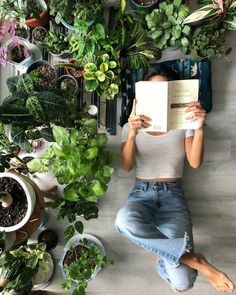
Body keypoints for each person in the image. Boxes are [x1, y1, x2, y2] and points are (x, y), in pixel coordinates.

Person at [115, 66, 235, 293]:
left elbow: (195, 162)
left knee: (182, 284)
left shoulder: (184, 124)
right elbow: (127, 165)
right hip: (141, 194)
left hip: (173, 197)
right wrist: (131, 132)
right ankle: (194, 260)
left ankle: (173, 254)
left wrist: (198, 129)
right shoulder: (130, 126)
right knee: (123, 221)